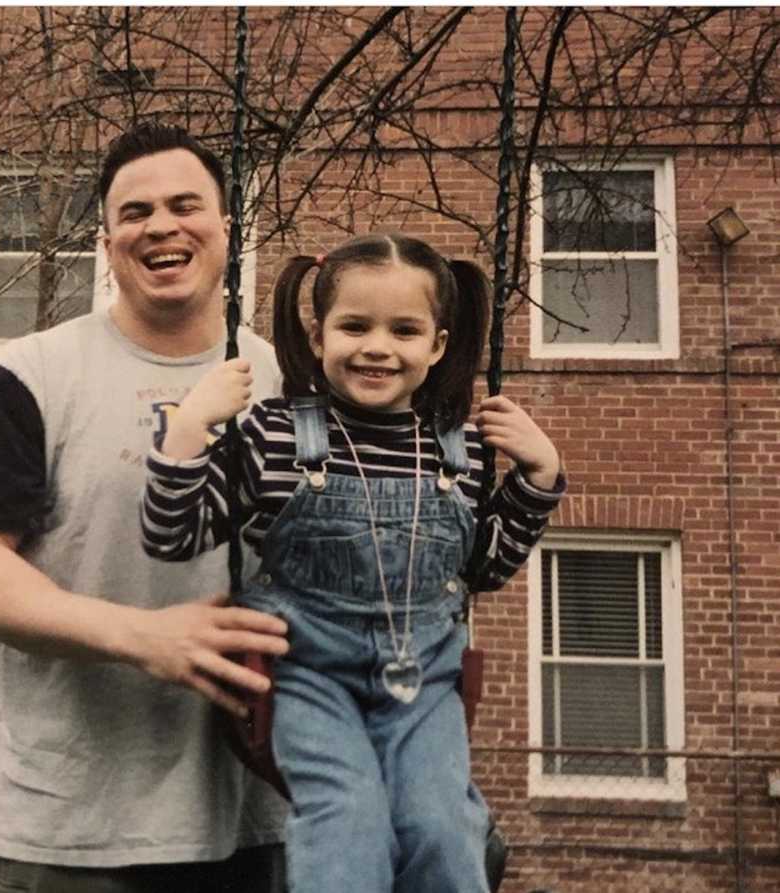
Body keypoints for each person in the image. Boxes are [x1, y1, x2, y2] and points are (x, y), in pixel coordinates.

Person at [141, 231, 566, 893]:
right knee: (348, 819)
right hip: (310, 674)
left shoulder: (462, 449)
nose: (377, 346)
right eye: (355, 325)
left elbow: (482, 569)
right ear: (318, 337)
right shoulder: (276, 432)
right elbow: (174, 535)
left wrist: (539, 475)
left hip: (424, 681)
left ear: (437, 344)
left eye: (404, 329)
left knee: (443, 826)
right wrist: (191, 427)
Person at [0, 123, 290, 892]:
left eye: (186, 204)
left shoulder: (291, 381)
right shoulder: (33, 374)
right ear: (107, 241)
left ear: (226, 228)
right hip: (61, 834)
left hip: (252, 824)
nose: (161, 224)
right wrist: (144, 635)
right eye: (136, 212)